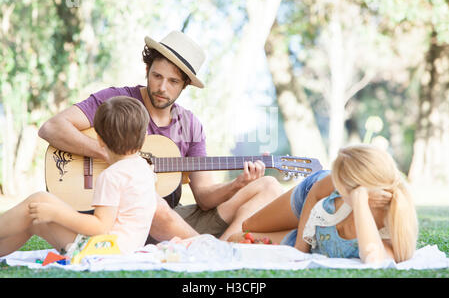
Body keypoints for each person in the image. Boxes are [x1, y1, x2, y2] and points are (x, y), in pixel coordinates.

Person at [38, 30, 282, 243]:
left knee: (269, 186)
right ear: (147, 70)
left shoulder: (190, 125)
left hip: (166, 223)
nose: (162, 87)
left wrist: (238, 183)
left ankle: (222, 252)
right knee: (151, 200)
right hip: (113, 218)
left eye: (173, 81)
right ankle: (206, 249)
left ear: (184, 85)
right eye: (157, 76)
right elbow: (51, 127)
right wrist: (109, 153)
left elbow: (205, 198)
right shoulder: (117, 101)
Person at [0, 96, 157, 257]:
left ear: (100, 140)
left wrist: (55, 214)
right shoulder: (145, 169)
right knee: (36, 219)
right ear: (145, 137)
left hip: (103, 252)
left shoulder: (112, 176)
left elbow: (100, 227)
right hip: (121, 249)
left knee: (36, 202)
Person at [228, 144, 419, 264]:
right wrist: (299, 249)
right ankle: (278, 203)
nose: (336, 183)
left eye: (340, 184)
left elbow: (374, 259)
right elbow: (317, 192)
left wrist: (360, 200)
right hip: (312, 196)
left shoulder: (392, 223)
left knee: (239, 238)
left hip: (322, 230)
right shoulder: (331, 183)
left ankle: (280, 207)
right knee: (249, 225)